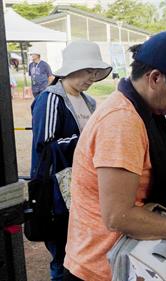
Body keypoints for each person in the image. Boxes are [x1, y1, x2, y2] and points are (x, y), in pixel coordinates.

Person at [63, 31, 166, 281]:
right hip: (101, 269)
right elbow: (118, 216)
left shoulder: (147, 112)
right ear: (155, 78)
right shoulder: (122, 121)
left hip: (134, 261)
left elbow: (153, 180)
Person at [30, 40, 112, 281]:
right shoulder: (51, 99)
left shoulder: (89, 101)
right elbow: (46, 146)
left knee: (79, 252)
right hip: (56, 194)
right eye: (88, 70)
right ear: (71, 69)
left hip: (80, 191)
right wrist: (88, 140)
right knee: (62, 255)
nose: (92, 77)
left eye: (95, 72)